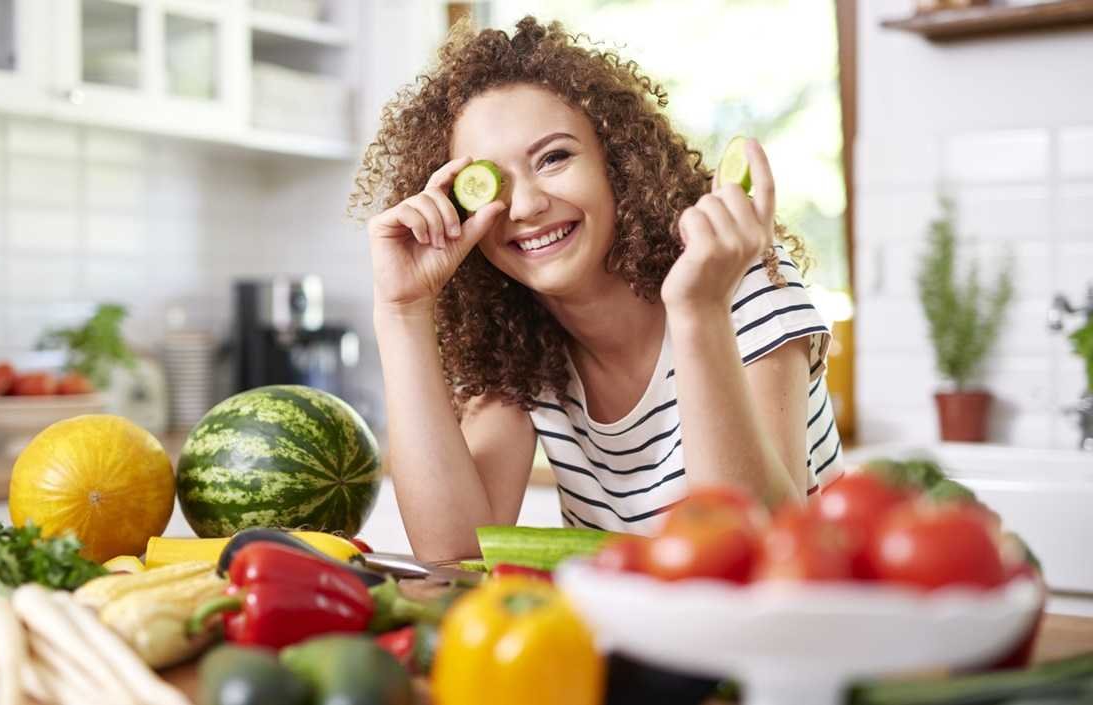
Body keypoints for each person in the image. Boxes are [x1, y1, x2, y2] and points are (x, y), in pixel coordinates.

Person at [350, 16, 843, 562]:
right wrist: (402, 311)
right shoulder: (521, 348)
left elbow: (756, 547)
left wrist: (698, 311)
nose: (527, 206)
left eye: (554, 158)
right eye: (493, 182)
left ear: (618, 161)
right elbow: (453, 550)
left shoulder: (739, 284)